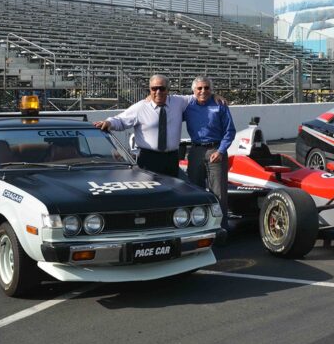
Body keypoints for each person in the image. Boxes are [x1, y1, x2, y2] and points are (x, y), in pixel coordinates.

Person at [94, 74, 187, 177]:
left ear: (168, 89)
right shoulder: (140, 107)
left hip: (172, 159)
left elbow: (198, 96)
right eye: (154, 89)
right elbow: (121, 120)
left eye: (162, 88)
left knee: (171, 190)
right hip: (149, 158)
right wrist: (108, 123)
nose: (158, 92)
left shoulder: (179, 102)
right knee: (149, 191)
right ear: (150, 90)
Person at [184, 76, 235, 230]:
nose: (203, 91)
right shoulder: (187, 106)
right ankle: (197, 228)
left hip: (216, 151)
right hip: (195, 151)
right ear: (193, 90)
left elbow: (230, 131)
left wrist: (221, 150)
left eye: (207, 88)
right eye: (199, 88)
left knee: (219, 193)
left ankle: (220, 229)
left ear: (211, 90)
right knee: (194, 192)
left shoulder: (219, 104)